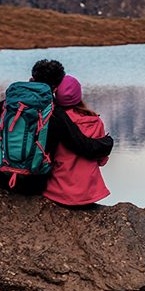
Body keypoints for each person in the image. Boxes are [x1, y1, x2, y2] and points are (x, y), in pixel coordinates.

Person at [0, 59, 113, 195]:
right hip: (32, 183)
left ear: (31, 79)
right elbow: (83, 146)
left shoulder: (6, 105)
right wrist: (107, 142)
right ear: (56, 89)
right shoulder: (53, 112)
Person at [42, 75, 111, 207]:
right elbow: (101, 160)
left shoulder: (52, 119)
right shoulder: (95, 121)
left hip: (57, 191)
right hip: (88, 193)